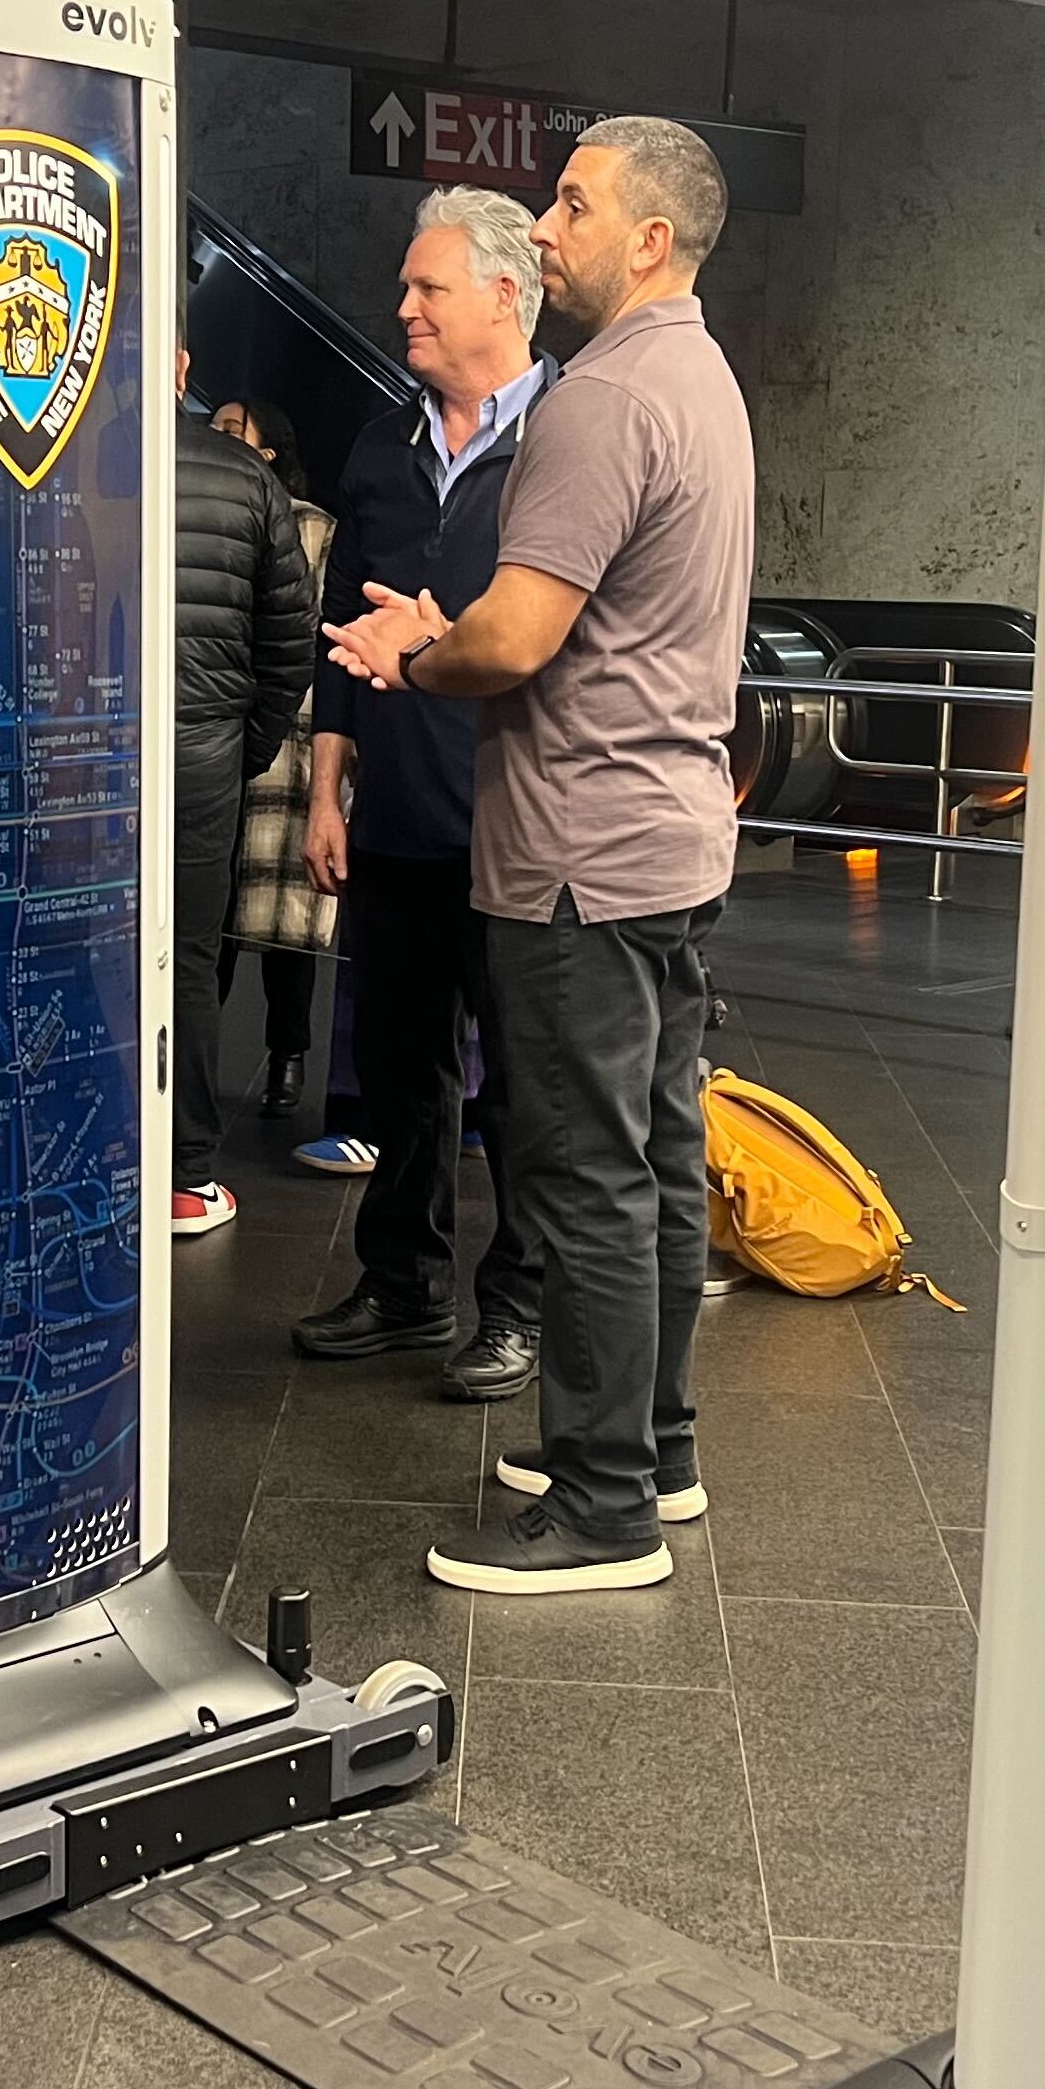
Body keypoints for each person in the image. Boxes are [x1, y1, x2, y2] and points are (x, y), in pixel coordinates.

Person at [328, 121, 753, 1594]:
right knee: (659, 1157)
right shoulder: (704, 374)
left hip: (580, 858)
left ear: (647, 239)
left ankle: (602, 1509)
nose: (547, 225)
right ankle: (658, 1449)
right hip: (672, 846)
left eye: (574, 203)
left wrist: (410, 647)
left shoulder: (601, 398)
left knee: (584, 1183)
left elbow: (513, 638)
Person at [292, 190, 554, 1404]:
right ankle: (403, 1284)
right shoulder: (382, 451)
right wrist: (326, 795)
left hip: (519, 827)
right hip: (393, 820)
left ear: (505, 295)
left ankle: (519, 1308)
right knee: (401, 1073)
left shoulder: (566, 441)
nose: (403, 309)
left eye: (427, 288)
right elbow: (338, 645)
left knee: (526, 1086)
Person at [170, 346, 316, 1235]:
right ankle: (186, 1173)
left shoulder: (69, 457)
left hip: (76, 755)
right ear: (187, 362)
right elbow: (290, 643)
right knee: (188, 955)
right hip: (201, 752)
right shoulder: (245, 478)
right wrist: (241, 747)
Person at [212, 395, 338, 1130]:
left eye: (235, 431)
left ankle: (289, 1057)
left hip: (291, 743)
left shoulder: (316, 529)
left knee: (290, 917)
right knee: (213, 915)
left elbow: (321, 639)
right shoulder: (200, 513)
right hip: (219, 740)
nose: (218, 439)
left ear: (269, 454)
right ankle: (197, 1067)